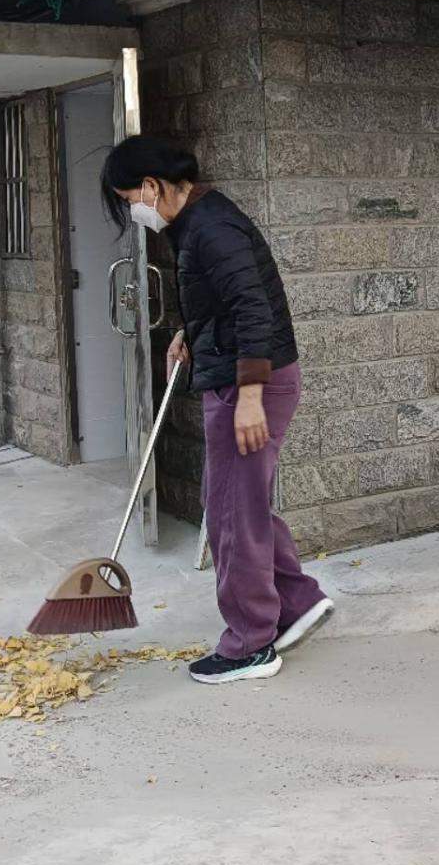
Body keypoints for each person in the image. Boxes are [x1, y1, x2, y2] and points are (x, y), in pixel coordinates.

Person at [100, 135, 332, 684]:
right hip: (243, 375)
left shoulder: (211, 228)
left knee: (230, 512)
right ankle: (296, 601)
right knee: (238, 502)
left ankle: (251, 643)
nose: (134, 212)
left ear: (151, 186)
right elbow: (225, 299)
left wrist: (249, 396)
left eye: (130, 199)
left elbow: (253, 309)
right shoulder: (200, 220)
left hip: (249, 385)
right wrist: (191, 331)